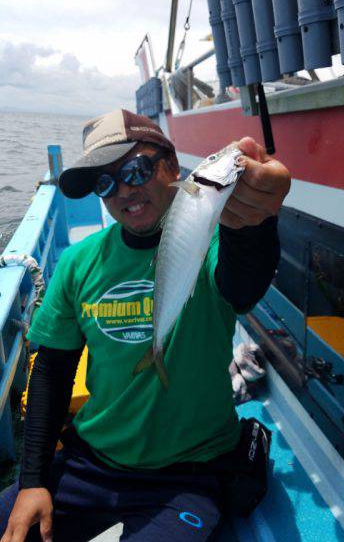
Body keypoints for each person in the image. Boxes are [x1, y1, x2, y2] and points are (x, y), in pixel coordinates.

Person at [0, 109, 291, 542]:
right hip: (92, 462)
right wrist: (34, 481)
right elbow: (52, 372)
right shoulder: (79, 262)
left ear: (173, 168)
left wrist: (254, 224)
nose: (123, 191)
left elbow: (242, 284)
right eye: (105, 182)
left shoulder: (213, 240)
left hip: (190, 474)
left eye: (136, 170)